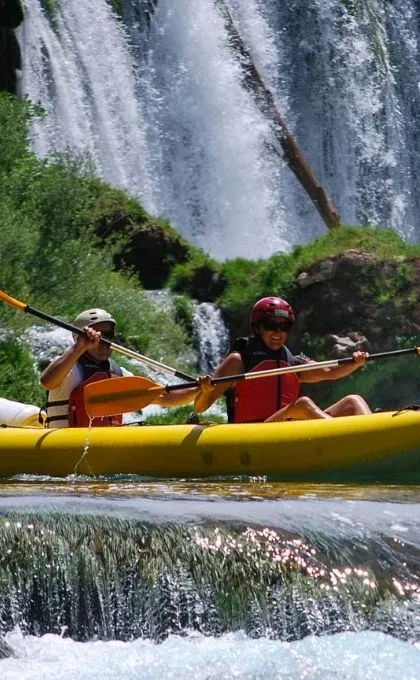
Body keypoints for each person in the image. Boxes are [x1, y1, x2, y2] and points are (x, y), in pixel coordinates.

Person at [194, 296, 372, 422]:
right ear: (258, 328)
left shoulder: (292, 361)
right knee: (302, 405)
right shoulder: (238, 360)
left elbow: (329, 371)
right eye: (271, 326)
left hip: (287, 429)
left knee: (352, 401)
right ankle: (345, 437)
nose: (278, 333)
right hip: (255, 434)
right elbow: (200, 407)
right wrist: (207, 391)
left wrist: (355, 363)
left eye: (284, 327)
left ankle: (374, 434)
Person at [41, 308, 200, 428]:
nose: (104, 340)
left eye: (108, 335)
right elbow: (47, 382)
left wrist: (199, 389)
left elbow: (165, 398)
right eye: (98, 334)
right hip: (65, 442)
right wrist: (79, 348)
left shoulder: (119, 373)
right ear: (79, 338)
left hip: (104, 445)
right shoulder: (68, 366)